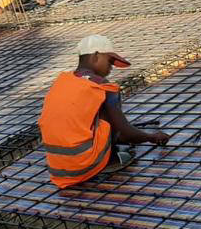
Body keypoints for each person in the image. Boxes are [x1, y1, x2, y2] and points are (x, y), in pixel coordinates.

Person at [39, 35, 171, 188]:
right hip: (83, 166)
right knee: (110, 108)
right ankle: (110, 159)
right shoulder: (100, 86)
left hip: (58, 167)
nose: (111, 68)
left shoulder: (63, 82)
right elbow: (125, 133)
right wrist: (152, 137)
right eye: (109, 61)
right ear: (96, 56)